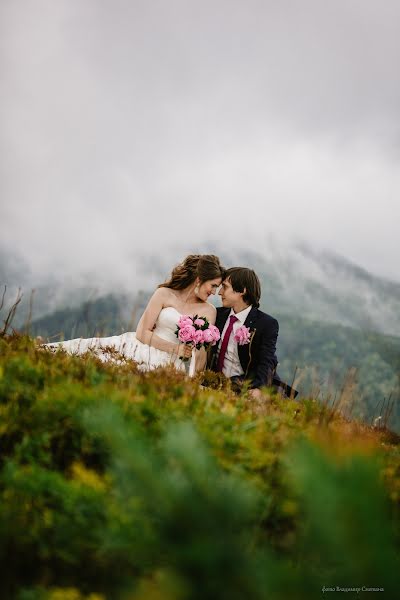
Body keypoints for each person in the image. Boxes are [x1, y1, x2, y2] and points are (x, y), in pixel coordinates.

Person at [45, 254, 224, 374]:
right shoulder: (164, 294)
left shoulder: (209, 311)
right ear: (199, 280)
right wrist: (174, 348)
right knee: (90, 357)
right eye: (213, 285)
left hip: (174, 364)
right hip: (144, 346)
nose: (214, 292)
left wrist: (193, 372)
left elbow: (201, 355)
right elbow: (142, 332)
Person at [208, 267, 297, 399]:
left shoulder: (266, 324)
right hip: (215, 383)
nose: (220, 292)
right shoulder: (217, 314)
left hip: (247, 385)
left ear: (242, 290)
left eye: (225, 287)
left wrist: (258, 388)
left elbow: (266, 362)